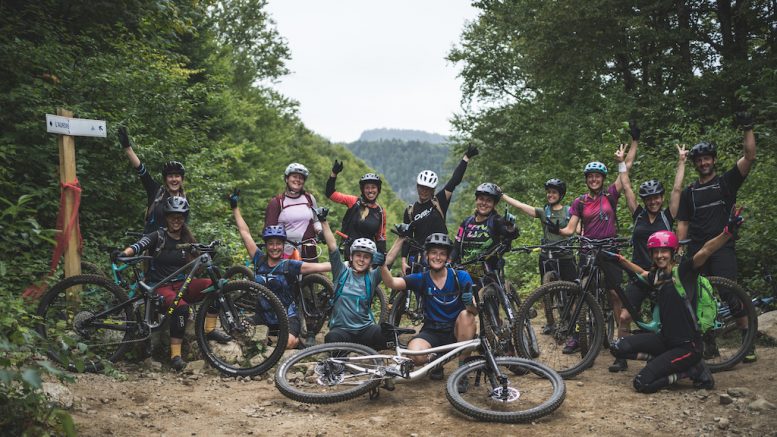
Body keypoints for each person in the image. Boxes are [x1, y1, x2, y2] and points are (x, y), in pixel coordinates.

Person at [607, 213, 745, 393]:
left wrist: (726, 233)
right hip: (665, 341)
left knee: (642, 383)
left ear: (672, 252)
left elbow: (705, 251)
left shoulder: (684, 272)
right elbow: (642, 273)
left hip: (687, 347)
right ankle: (661, 359)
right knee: (618, 347)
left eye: (664, 251)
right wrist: (621, 260)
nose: (659, 255)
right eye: (655, 252)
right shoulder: (657, 276)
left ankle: (689, 370)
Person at [111, 197, 230, 371]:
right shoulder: (157, 236)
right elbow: (139, 245)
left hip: (182, 283)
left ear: (184, 218)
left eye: (180, 216)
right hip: (160, 286)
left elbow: (198, 261)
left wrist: (208, 253)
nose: (176, 220)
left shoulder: (187, 238)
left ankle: (209, 329)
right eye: (173, 216)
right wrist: (124, 253)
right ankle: (175, 356)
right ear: (166, 217)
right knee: (181, 308)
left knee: (217, 285)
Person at [675, 112, 757, 363]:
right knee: (697, 296)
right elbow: (683, 222)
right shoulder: (690, 192)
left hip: (722, 247)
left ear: (713, 160)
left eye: (707, 159)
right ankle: (708, 343)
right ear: (696, 163)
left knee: (729, 292)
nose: (703, 163)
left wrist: (747, 128)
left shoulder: (726, 183)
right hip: (698, 249)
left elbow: (749, 156)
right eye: (699, 160)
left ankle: (747, 339)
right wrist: (679, 248)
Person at [548, 133, 637, 361]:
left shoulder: (610, 194)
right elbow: (570, 229)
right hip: (588, 252)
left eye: (598, 176)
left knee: (615, 295)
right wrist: (556, 229)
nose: (594, 179)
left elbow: (626, 169)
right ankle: (579, 335)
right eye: (591, 176)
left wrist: (632, 145)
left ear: (603, 178)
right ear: (587, 179)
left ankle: (621, 340)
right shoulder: (580, 202)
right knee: (582, 292)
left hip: (609, 250)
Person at [610, 143, 687, 372]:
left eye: (656, 197)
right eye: (649, 198)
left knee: (665, 321)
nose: (653, 201)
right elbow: (626, 187)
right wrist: (621, 162)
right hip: (638, 273)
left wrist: (681, 161)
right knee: (624, 317)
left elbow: (677, 189)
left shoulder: (667, 216)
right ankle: (621, 356)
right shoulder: (639, 214)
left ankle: (666, 355)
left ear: (661, 198)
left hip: (663, 275)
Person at [228, 189, 331, 349]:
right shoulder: (259, 259)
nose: (275, 247)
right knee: (237, 332)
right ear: (267, 245)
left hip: (288, 317)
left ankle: (292, 342)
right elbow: (244, 233)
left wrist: (347, 264)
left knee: (287, 343)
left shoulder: (289, 265)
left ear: (283, 245)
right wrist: (235, 208)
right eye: (271, 243)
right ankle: (268, 340)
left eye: (278, 244)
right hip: (263, 317)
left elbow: (319, 266)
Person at [381, 232, 477, 393]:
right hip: (432, 331)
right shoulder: (421, 278)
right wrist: (382, 265)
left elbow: (474, 311)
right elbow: (391, 283)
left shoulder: (461, 276)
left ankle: (462, 370)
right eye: (433, 253)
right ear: (426, 256)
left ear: (448, 258)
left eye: (442, 254)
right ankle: (436, 361)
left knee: (467, 316)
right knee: (414, 354)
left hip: (456, 330)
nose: (437, 257)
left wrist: (469, 303)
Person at [314, 207, 400, 349]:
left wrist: (401, 238)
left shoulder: (372, 277)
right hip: (342, 331)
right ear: (352, 257)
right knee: (331, 338)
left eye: (366, 257)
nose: (361, 260)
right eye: (358, 255)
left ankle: (367, 353)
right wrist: (323, 221)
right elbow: (333, 246)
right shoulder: (341, 271)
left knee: (386, 333)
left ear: (371, 261)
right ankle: (354, 352)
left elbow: (388, 260)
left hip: (364, 330)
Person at [401, 145, 479, 274]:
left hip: (440, 252)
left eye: (428, 188)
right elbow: (406, 238)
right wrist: (403, 261)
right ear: (417, 187)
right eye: (421, 187)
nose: (424, 191)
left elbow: (454, 181)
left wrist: (466, 158)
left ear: (433, 190)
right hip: (419, 256)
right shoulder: (410, 211)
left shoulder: (439, 201)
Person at [502, 178, 578, 283]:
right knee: (547, 290)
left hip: (565, 256)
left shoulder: (568, 211)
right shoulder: (543, 212)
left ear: (561, 195)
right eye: (549, 192)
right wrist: (502, 195)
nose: (550, 195)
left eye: (554, 192)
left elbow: (576, 228)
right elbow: (520, 205)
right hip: (547, 256)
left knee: (572, 289)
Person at [118, 126, 186, 234]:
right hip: (152, 246)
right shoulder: (156, 192)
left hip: (174, 247)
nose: (174, 179)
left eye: (177, 176)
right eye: (170, 176)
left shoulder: (184, 200)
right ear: (165, 179)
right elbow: (141, 170)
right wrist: (128, 149)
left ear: (182, 179)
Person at [450, 183, 519, 276]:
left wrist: (510, 227)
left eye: (489, 201)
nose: (484, 203)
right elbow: (456, 247)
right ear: (476, 200)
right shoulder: (466, 222)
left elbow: (510, 233)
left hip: (488, 273)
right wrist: (448, 262)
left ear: (494, 204)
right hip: (464, 271)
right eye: (481, 199)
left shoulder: (496, 221)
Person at [325, 160, 387, 258]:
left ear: (378, 190)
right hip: (350, 252)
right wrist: (334, 174)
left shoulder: (380, 211)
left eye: (373, 187)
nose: (370, 190)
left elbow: (381, 237)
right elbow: (331, 194)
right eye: (367, 188)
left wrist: (382, 255)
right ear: (363, 190)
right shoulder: (354, 202)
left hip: (368, 254)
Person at [265, 163, 322, 261]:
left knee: (313, 276)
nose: (298, 180)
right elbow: (268, 230)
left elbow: (316, 220)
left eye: (301, 178)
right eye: (294, 176)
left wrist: (320, 231)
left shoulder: (309, 198)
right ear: (287, 179)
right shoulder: (277, 202)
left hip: (309, 249)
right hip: (285, 251)